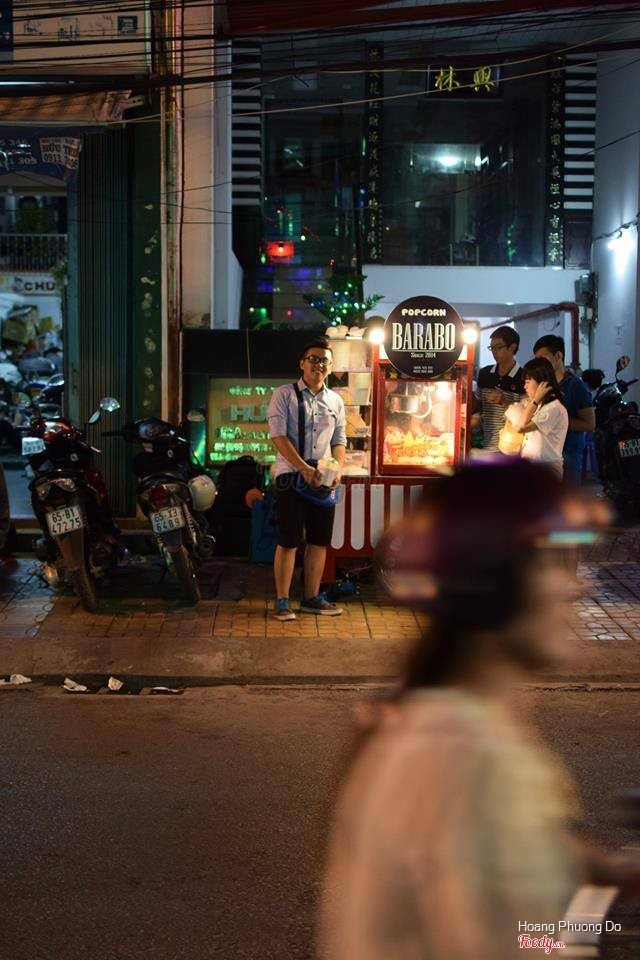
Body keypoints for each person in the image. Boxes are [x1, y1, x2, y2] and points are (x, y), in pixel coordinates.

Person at [319, 461, 639, 960]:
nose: (576, 587)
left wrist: (611, 873)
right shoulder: (470, 756)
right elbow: (530, 941)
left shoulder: (439, 715)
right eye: (551, 563)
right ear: (494, 584)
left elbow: (508, 848)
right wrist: (595, 933)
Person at [267, 339, 346, 621]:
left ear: (330, 367)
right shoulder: (284, 394)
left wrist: (337, 470)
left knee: (319, 540)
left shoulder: (335, 401)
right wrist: (303, 468)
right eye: (313, 359)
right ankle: (282, 601)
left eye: (324, 360)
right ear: (302, 363)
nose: (318, 364)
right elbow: (278, 436)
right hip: (290, 476)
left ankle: (311, 597)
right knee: (289, 540)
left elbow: (339, 440)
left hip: (323, 477)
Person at [533, 335, 594, 485]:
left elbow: (589, 424)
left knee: (566, 497)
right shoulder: (544, 385)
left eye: (543, 357)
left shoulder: (575, 386)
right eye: (537, 359)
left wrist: (557, 421)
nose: (540, 364)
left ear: (558, 356)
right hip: (546, 455)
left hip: (568, 455)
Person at [509, 357, 568, 479]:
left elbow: (520, 427)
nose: (525, 386)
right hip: (533, 468)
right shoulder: (540, 405)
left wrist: (535, 400)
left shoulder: (553, 408)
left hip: (546, 470)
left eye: (528, 382)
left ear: (542, 383)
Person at [476, 326, 525, 452]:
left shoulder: (524, 377)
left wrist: (504, 401)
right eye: (492, 348)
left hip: (512, 449)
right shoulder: (485, 373)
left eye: (498, 347)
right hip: (487, 444)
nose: (494, 352)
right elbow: (477, 406)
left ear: (512, 347)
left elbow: (526, 416)